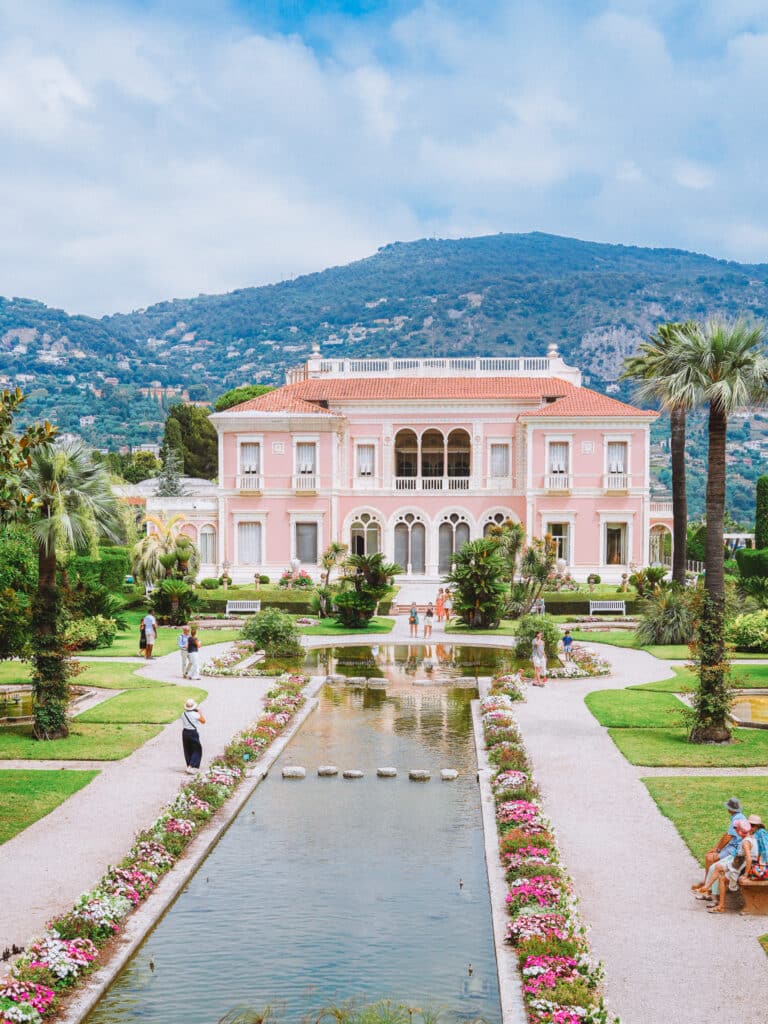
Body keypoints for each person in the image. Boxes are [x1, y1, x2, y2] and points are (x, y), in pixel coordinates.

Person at [697, 819, 754, 913]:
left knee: (721, 877)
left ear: (740, 831)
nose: (734, 830)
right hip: (738, 863)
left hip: (741, 867)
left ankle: (720, 905)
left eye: (736, 829)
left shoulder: (745, 842)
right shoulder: (748, 839)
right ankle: (707, 888)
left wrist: (745, 875)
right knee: (718, 867)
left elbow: (748, 859)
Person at [692, 797, 748, 892]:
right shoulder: (738, 816)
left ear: (730, 809)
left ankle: (708, 887)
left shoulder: (736, 819)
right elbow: (726, 834)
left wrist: (718, 850)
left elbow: (728, 837)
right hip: (732, 846)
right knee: (709, 856)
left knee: (710, 858)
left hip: (734, 848)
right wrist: (716, 848)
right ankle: (706, 882)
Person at [181, 697, 206, 774]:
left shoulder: (183, 714)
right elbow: (203, 721)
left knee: (187, 749)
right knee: (197, 749)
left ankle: (189, 764)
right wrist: (200, 712)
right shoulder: (195, 714)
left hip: (185, 732)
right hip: (193, 732)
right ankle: (192, 766)